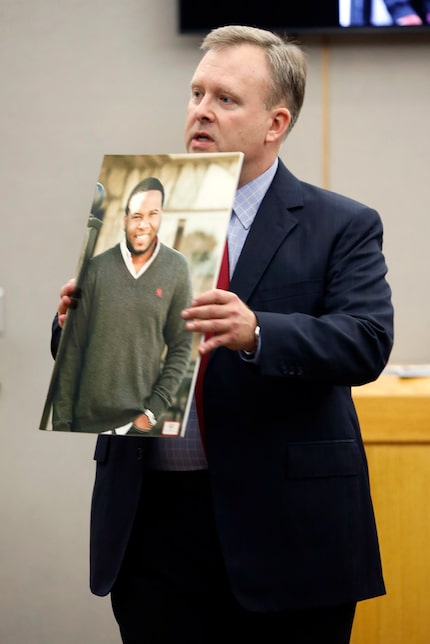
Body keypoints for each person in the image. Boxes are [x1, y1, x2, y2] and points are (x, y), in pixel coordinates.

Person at [51, 25, 394, 644]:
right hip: (154, 525)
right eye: (196, 93)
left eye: (226, 99)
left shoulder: (340, 223)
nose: (201, 111)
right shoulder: (140, 209)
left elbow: (366, 338)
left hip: (286, 532)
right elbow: (107, 360)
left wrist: (257, 330)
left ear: (275, 123)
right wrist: (77, 326)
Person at [52, 176, 193, 436]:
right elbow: (72, 349)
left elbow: (181, 347)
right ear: (125, 220)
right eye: (137, 215)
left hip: (137, 428)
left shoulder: (177, 269)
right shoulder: (96, 269)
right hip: (85, 423)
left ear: (161, 217)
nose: (144, 224)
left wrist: (150, 414)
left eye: (153, 214)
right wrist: (61, 422)